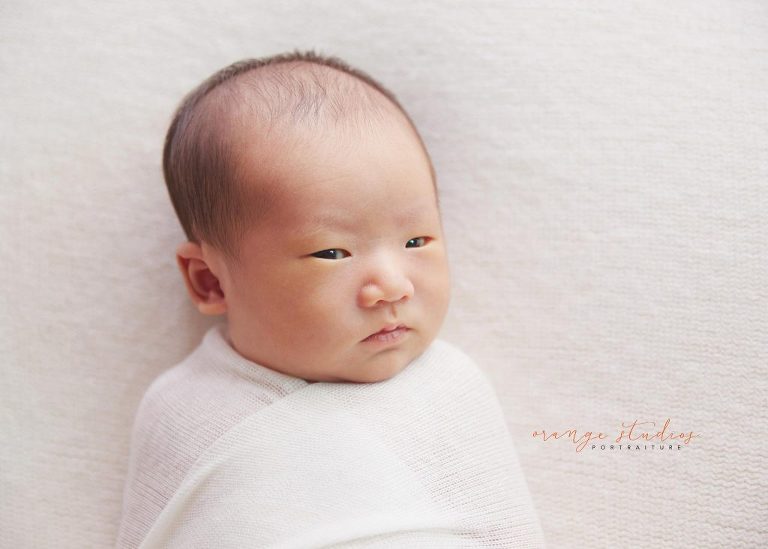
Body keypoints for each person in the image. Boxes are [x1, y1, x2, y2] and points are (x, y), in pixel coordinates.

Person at [116, 51, 545, 548]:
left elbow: (510, 532)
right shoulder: (183, 408)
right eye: (332, 252)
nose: (392, 286)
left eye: (416, 242)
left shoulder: (451, 389)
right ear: (211, 281)